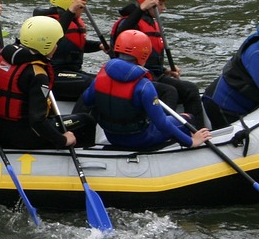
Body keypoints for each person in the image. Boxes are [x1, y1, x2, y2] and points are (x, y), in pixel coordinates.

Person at [81, 30, 211, 150]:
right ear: (144, 55)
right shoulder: (144, 86)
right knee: (187, 118)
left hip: (112, 136)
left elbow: (87, 100)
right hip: (141, 139)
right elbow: (161, 123)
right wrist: (190, 142)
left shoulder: (101, 76)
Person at [0, 16, 95, 150]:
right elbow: (37, 121)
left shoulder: (0, 56)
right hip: (24, 137)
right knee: (86, 121)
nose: (56, 47)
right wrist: (63, 140)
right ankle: (85, 157)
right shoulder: (38, 74)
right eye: (55, 43)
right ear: (46, 45)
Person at [109, 0, 203, 122]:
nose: (164, 8)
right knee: (169, 92)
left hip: (154, 74)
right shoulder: (129, 23)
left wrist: (165, 70)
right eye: (161, 3)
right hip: (135, 78)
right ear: (148, 2)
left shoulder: (152, 23)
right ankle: (162, 131)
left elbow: (150, 58)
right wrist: (141, 8)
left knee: (190, 88)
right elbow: (121, 37)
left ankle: (197, 130)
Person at [32, 0, 106, 100]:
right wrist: (71, 10)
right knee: (93, 83)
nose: (83, 10)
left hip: (72, 73)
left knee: (104, 80)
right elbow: (56, 36)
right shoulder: (48, 22)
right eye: (81, 6)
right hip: (53, 75)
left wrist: (99, 46)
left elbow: (73, 45)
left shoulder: (73, 21)